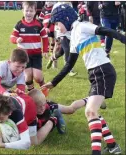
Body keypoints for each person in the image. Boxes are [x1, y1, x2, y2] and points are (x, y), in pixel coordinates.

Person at [41, 4, 125, 155]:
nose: (57, 28)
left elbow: (105, 30)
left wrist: (123, 38)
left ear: (65, 19)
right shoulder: (73, 37)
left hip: (103, 71)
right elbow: (69, 64)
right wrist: (53, 82)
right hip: (95, 75)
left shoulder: (82, 26)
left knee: (90, 111)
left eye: (57, 24)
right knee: (94, 113)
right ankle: (113, 146)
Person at [10, 1, 49, 97]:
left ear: (35, 11)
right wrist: (16, 39)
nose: (28, 13)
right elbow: (11, 37)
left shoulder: (39, 24)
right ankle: (33, 95)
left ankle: (44, 89)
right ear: (22, 11)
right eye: (26, 10)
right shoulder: (19, 25)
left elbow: (45, 37)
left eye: (31, 11)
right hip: (23, 56)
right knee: (27, 78)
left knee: (38, 77)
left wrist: (45, 50)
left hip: (36, 55)